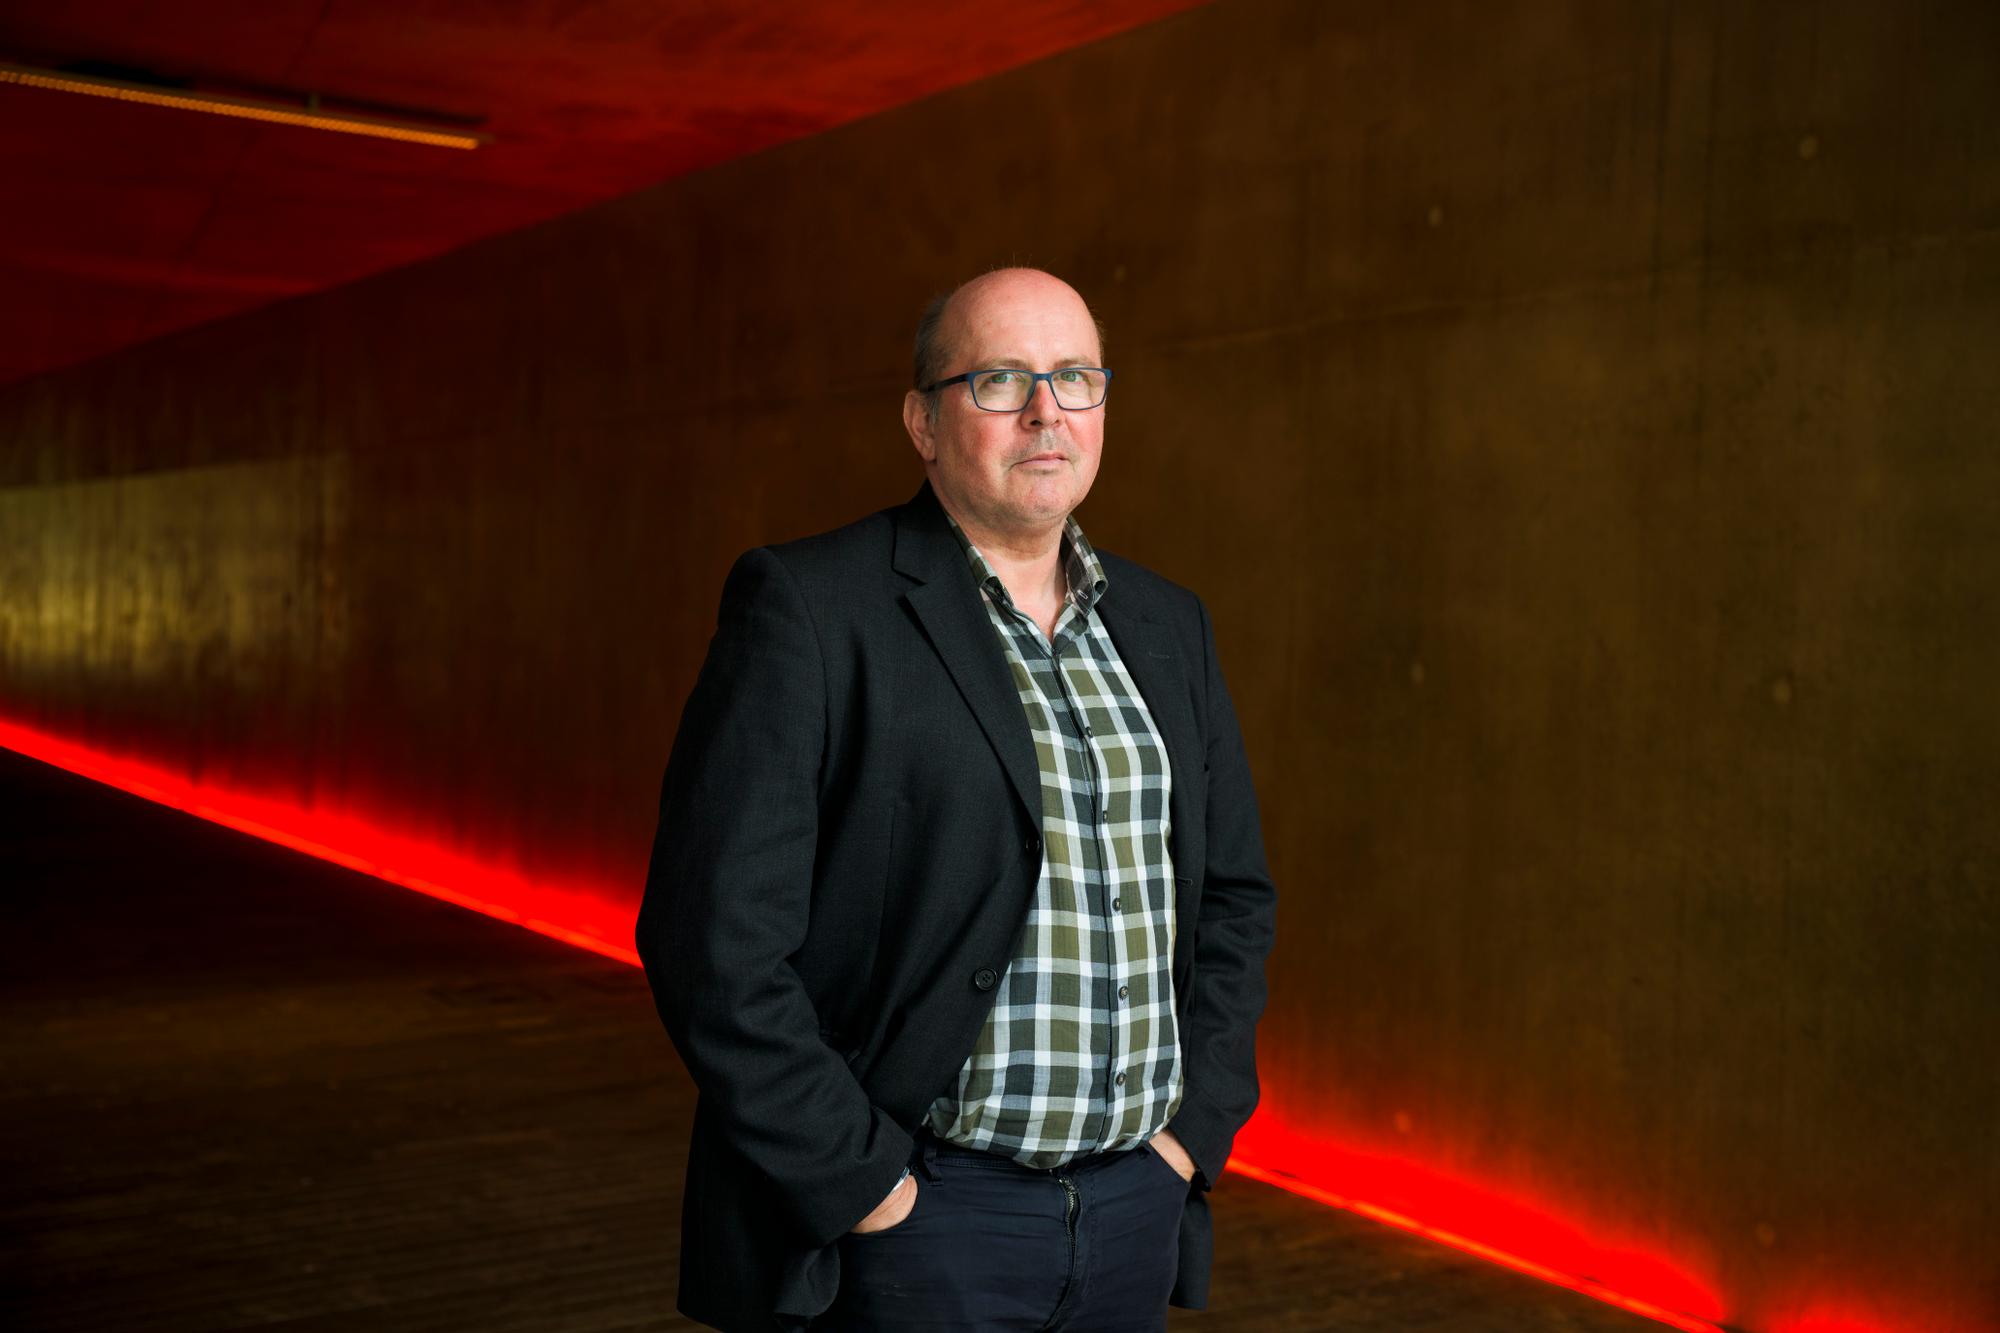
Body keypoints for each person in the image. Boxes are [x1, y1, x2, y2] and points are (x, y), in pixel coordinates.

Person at [635, 267, 1278, 1331]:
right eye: (999, 379)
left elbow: (1232, 900)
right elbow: (713, 942)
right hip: (920, 1225)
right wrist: (870, 1189)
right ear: (922, 423)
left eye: (1075, 376)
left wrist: (1189, 1135)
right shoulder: (809, 608)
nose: (1046, 409)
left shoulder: (1168, 626)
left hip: (1131, 1212)